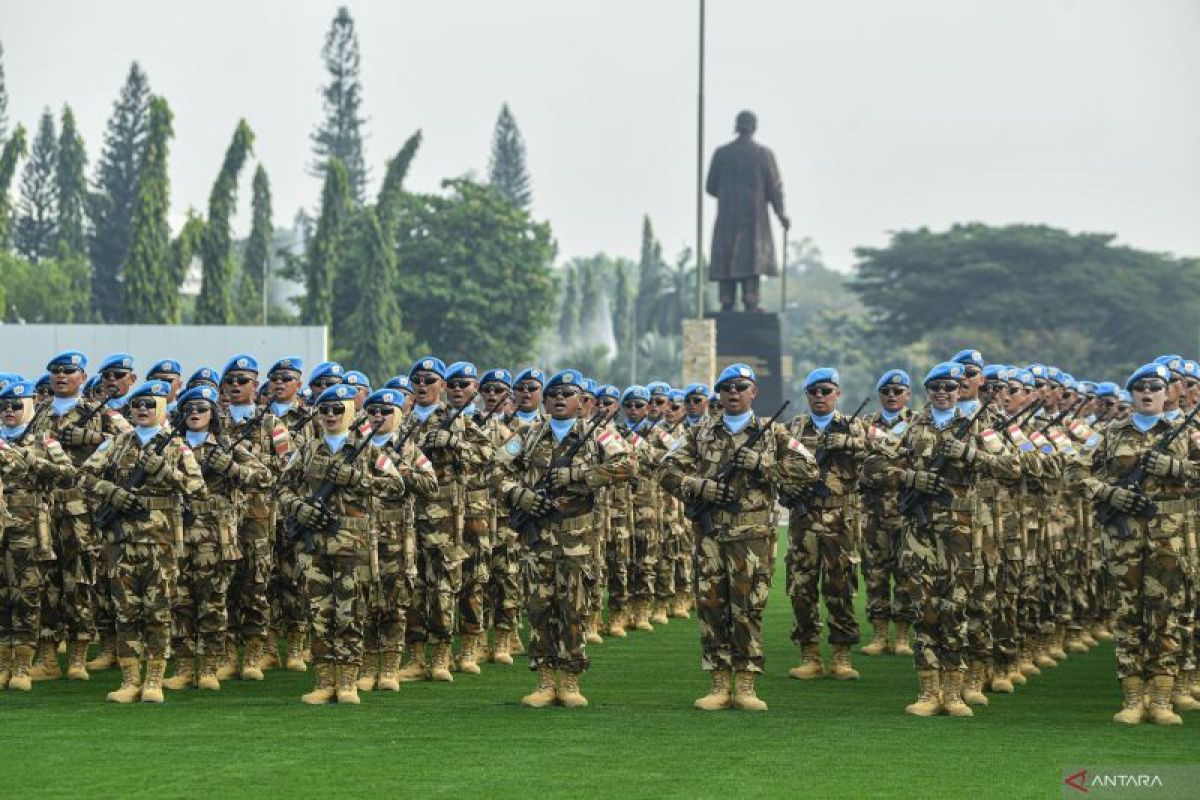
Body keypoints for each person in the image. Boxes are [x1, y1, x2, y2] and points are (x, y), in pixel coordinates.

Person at [864, 362, 1019, 717]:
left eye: (950, 387)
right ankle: (927, 691)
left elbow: (1013, 467)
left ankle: (954, 691)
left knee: (957, 608)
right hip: (920, 534)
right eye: (936, 387)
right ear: (927, 391)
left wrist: (969, 454)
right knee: (925, 609)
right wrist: (911, 478)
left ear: (961, 388)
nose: (943, 393)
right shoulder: (909, 425)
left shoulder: (981, 426)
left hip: (965, 533)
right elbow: (871, 467)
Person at [661, 363, 815, 711]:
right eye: (727, 387)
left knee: (747, 608)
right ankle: (718, 682)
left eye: (741, 387)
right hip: (711, 534)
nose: (733, 393)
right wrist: (700, 487)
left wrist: (762, 464)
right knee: (712, 606)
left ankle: (745, 684)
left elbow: (809, 469)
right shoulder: (700, 433)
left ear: (753, 393)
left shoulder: (772, 433)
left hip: (753, 537)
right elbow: (666, 470)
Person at [495, 369, 633, 707]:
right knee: (539, 607)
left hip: (577, 538)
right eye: (553, 393)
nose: (559, 398)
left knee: (574, 607)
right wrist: (519, 495)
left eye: (567, 394)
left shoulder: (598, 435)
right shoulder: (526, 435)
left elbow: (628, 465)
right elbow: (495, 470)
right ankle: (544, 681)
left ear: (582, 401)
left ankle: (570, 681)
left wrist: (579, 475)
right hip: (537, 537)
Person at [1074, 362, 1193, 725]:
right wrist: (1110, 494)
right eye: (1140, 388)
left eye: (1155, 388)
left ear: (1166, 394)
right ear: (1131, 394)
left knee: (1164, 615)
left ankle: (1161, 699)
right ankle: (1132, 697)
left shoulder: (1187, 433)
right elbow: (1075, 473)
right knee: (1127, 615)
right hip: (1123, 536)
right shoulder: (1110, 433)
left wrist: (1173, 468)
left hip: (1167, 537)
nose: (1148, 393)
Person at [276, 383, 405, 705]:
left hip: (353, 545)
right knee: (319, 613)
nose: (330, 415)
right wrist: (298, 507)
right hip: (314, 546)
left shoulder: (370, 450)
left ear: (350, 413)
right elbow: (281, 488)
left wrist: (356, 479)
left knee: (350, 613)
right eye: (324, 410)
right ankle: (323, 681)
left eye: (337, 409)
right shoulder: (305, 450)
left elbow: (397, 485)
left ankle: (347, 681)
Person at [79, 380, 206, 703]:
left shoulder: (177, 447)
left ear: (161, 408)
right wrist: (114, 493)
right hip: (122, 542)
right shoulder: (117, 444)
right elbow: (84, 476)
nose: (143, 410)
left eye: (150, 404)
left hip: (160, 543)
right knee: (126, 612)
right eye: (137, 405)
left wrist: (164, 471)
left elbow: (197, 488)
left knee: (158, 612)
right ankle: (130, 680)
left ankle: (154, 680)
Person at [163, 385, 271, 691]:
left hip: (214, 534)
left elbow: (265, 477)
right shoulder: (170, 445)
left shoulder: (227, 445)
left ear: (213, 414)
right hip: (176, 531)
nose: (195, 414)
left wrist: (232, 468)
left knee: (212, 600)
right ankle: (184, 668)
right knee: (179, 601)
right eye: (189, 410)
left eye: (201, 409)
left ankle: (211, 666)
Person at [28, 351, 128, 679]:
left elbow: (131, 440)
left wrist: (92, 437)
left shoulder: (97, 412)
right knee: (45, 582)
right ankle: (47, 658)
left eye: (68, 371)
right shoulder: (38, 411)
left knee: (80, 580)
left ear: (82, 377)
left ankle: (77, 657)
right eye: (55, 370)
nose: (61, 376)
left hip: (81, 510)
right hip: (43, 508)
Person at [393, 357, 494, 682]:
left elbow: (491, 457)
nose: (422, 385)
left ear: (441, 386)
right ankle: (416, 656)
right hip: (404, 515)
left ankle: (441, 655)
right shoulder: (396, 420)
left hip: (445, 517)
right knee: (411, 586)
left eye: (431, 380)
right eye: (417, 380)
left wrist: (456, 444)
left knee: (443, 585)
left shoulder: (458, 421)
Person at [785, 368, 870, 681]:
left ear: (837, 394)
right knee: (801, 587)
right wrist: (788, 486)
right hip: (803, 519)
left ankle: (841, 655)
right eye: (813, 392)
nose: (819, 397)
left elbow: (884, 454)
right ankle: (809, 654)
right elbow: (777, 462)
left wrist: (848, 444)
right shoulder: (794, 427)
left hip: (841, 520)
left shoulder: (855, 426)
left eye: (825, 391)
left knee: (841, 586)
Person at [357, 388, 438, 691]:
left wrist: (400, 470)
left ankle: (389, 666)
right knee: (362, 600)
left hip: (395, 537)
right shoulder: (356, 447)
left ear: (398, 416)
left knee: (395, 600)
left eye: (385, 411)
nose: (378, 416)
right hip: (360, 534)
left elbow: (431, 484)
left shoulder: (410, 450)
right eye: (373, 411)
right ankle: (366, 665)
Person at [0, 380, 73, 691]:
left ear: (29, 406)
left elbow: (68, 474)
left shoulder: (44, 440)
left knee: (27, 596)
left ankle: (22, 667)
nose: (9, 411)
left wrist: (29, 459)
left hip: (29, 526)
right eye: (3, 406)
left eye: (16, 406)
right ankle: (3, 664)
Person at [705, 111, 790, 312]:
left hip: (727, 216)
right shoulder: (763, 155)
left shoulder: (722, 154)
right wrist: (781, 214)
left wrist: (729, 196)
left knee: (728, 257)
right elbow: (775, 189)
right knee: (751, 258)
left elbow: (710, 187)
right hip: (754, 219)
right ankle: (751, 300)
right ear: (754, 127)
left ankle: (727, 300)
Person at [859, 369, 916, 657]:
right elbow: (861, 465)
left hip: (907, 513)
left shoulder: (918, 424)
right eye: (886, 392)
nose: (892, 396)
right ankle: (879, 634)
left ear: (908, 394)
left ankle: (903, 636)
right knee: (875, 573)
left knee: (906, 574)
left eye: (898, 391)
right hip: (874, 512)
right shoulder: (865, 425)